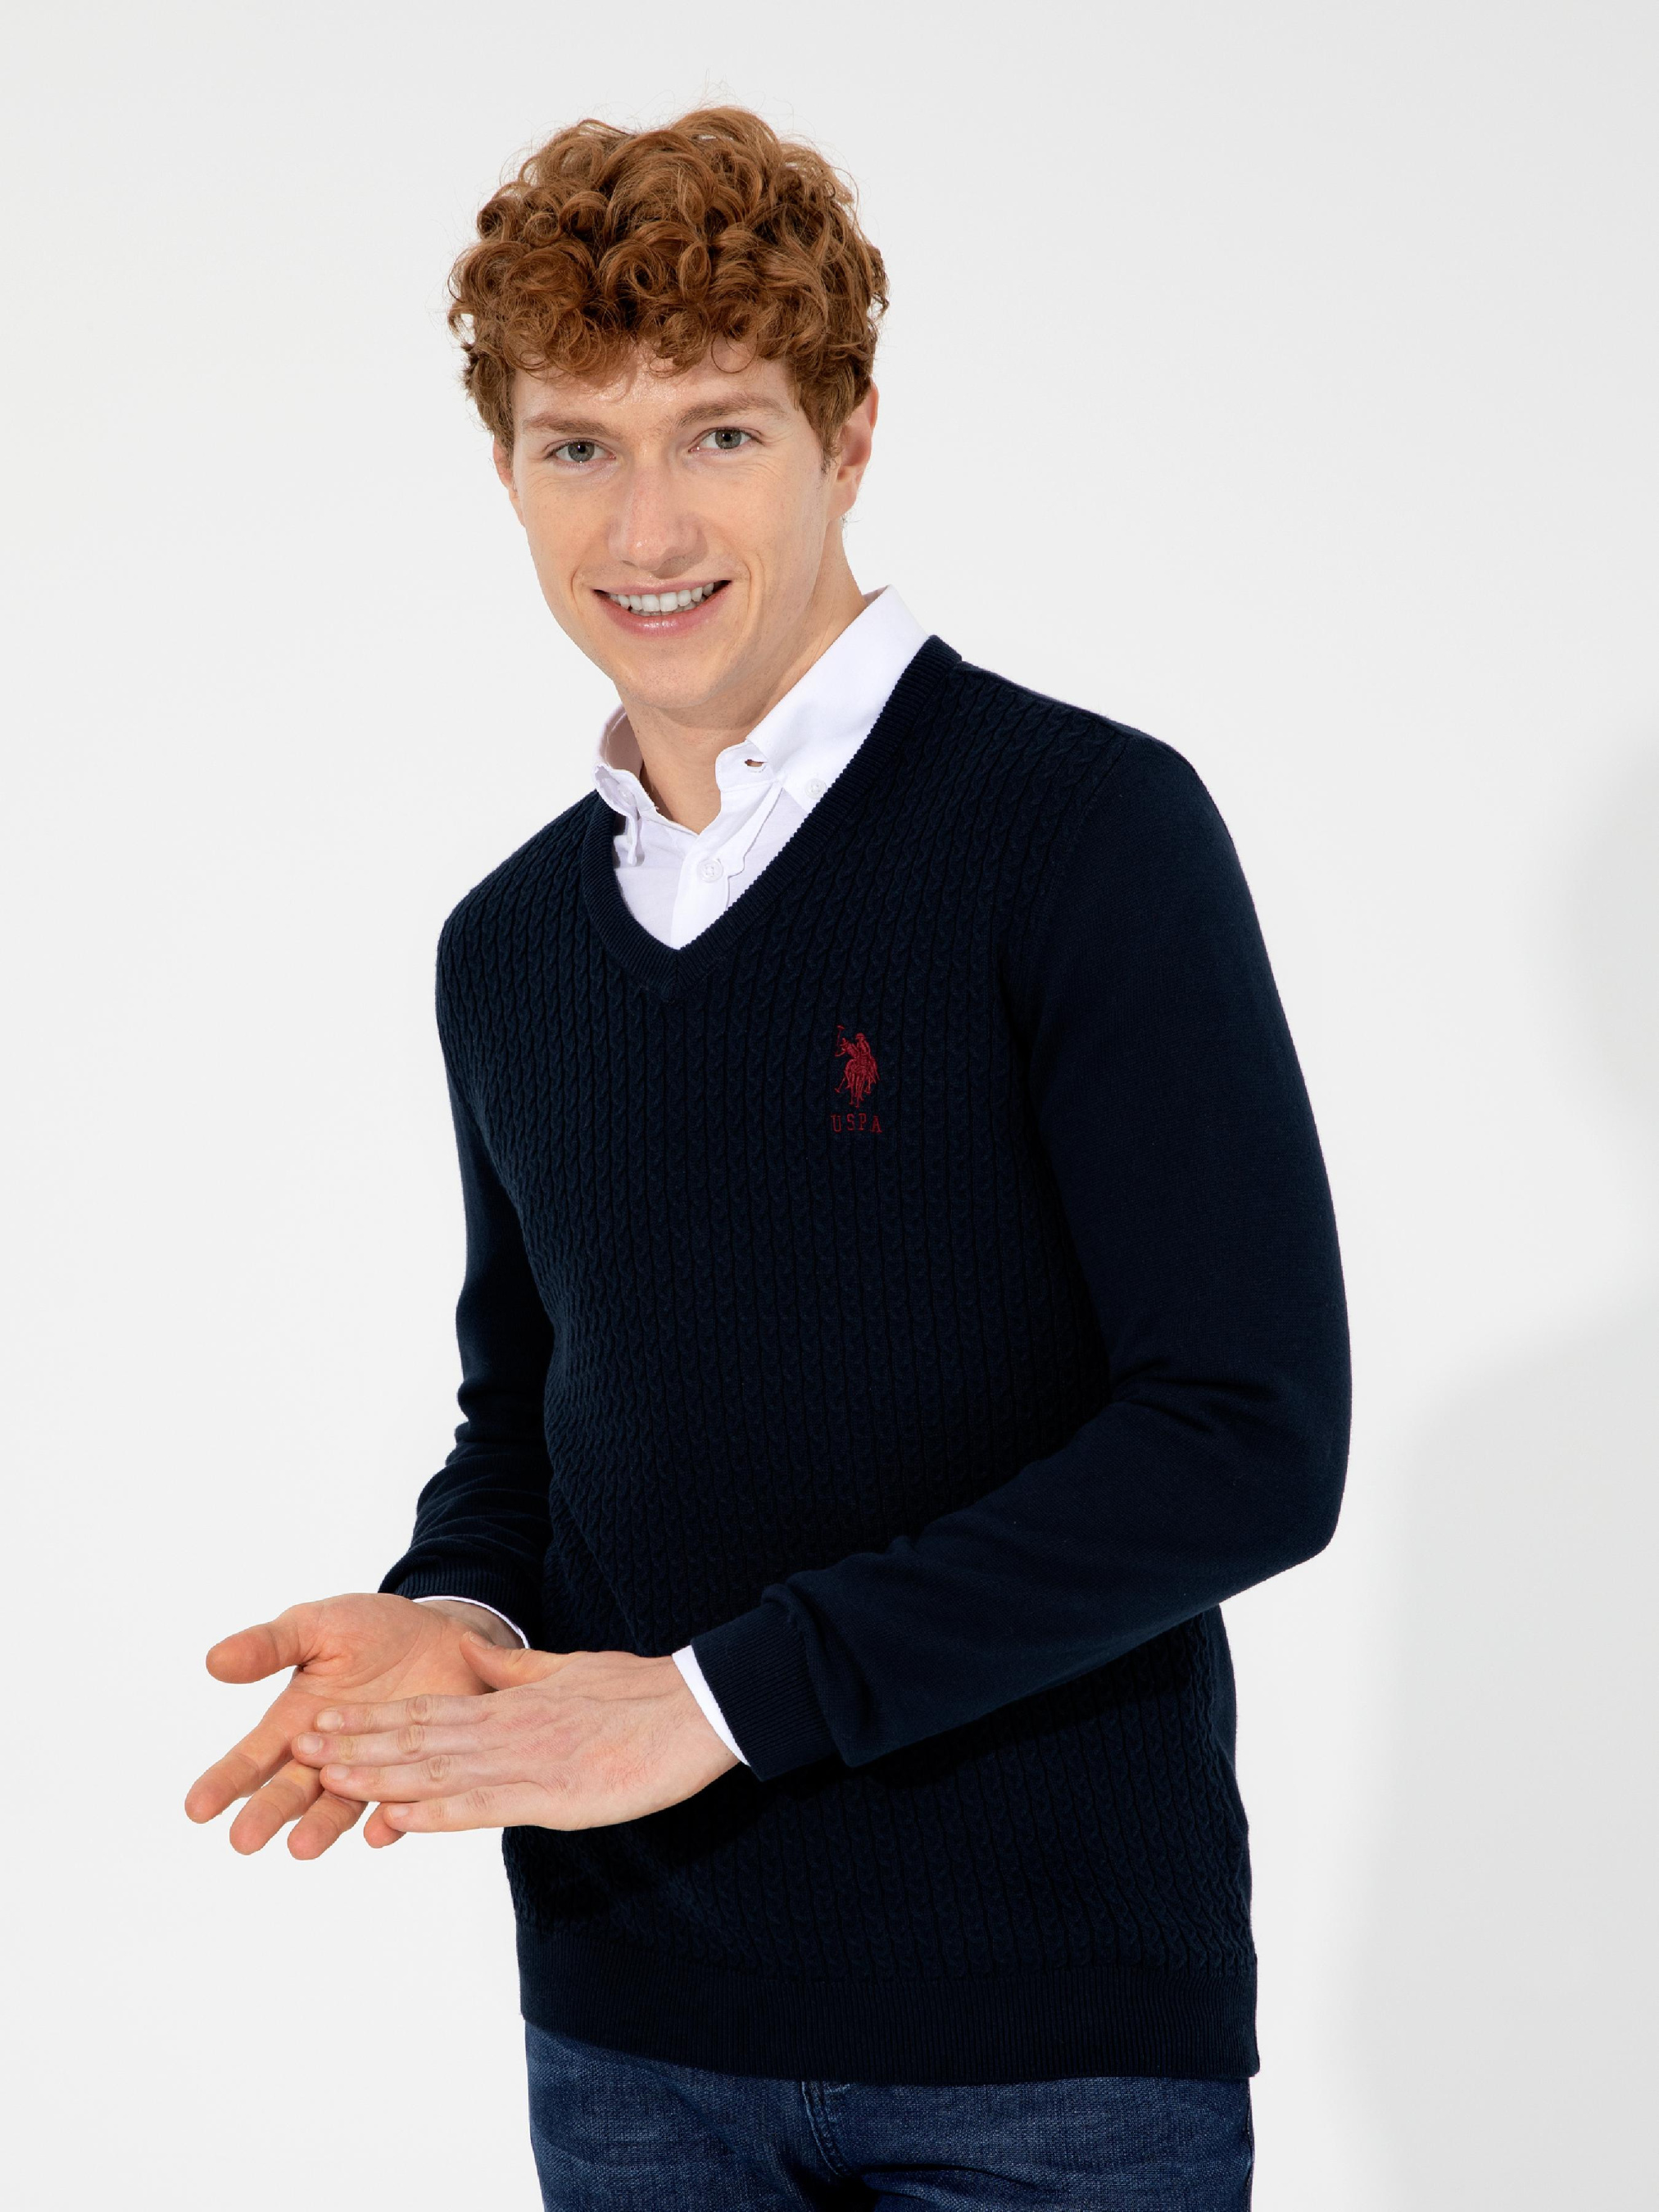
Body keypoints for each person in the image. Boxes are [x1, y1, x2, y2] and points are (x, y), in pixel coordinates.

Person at [184, 106, 1350, 2210]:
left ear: (849, 436)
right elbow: (532, 1415)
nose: (644, 524)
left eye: (716, 432)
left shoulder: (1078, 834)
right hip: (631, 2039)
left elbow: (1242, 1438)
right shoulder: (507, 947)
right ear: (506, 472)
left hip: (1043, 2057)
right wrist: (458, 1610)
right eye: (577, 446)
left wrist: (712, 1705)